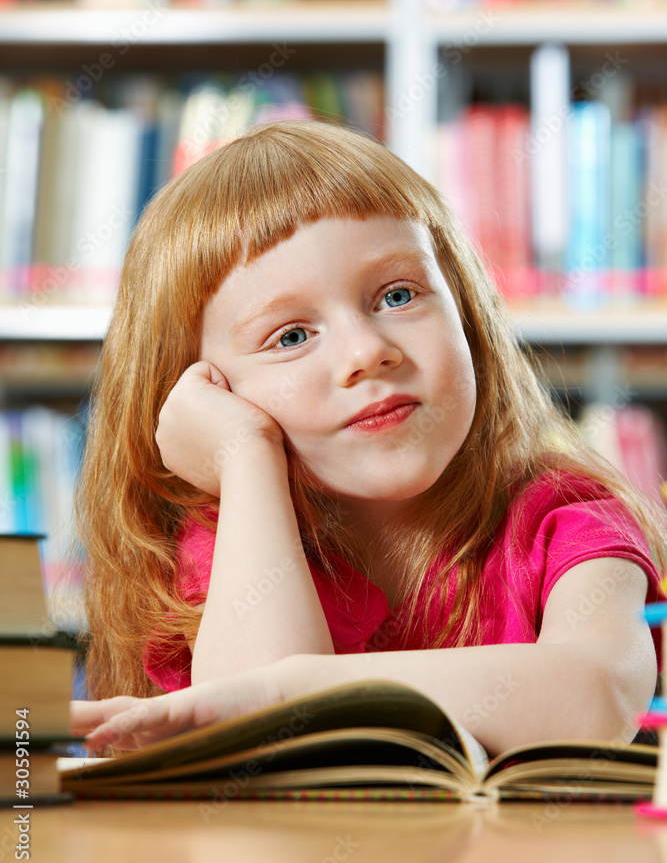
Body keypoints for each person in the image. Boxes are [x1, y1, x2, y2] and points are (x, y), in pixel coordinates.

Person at [70, 118, 667, 758]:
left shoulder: (567, 517)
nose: (367, 352)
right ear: (208, 394)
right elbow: (263, 751)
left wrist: (290, 692)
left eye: (399, 294)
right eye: (291, 336)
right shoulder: (240, 532)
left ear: (465, 312)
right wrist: (245, 456)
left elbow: (598, 693)